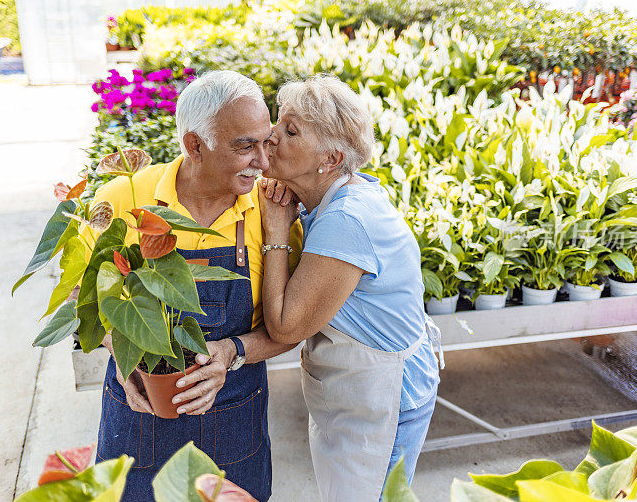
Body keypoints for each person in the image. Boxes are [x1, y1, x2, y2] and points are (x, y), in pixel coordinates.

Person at [89, 70, 300, 501]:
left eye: (267, 141)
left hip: (235, 425)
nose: (263, 161)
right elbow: (82, 297)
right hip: (138, 423)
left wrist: (231, 353)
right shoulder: (124, 197)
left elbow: (292, 327)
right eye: (245, 146)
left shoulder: (273, 210)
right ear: (194, 145)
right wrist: (120, 352)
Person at [258, 74, 443, 501]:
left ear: (330, 158)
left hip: (385, 405)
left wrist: (275, 228)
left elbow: (286, 326)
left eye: (290, 131)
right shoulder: (335, 199)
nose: (271, 136)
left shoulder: (347, 220)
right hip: (365, 395)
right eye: (277, 122)